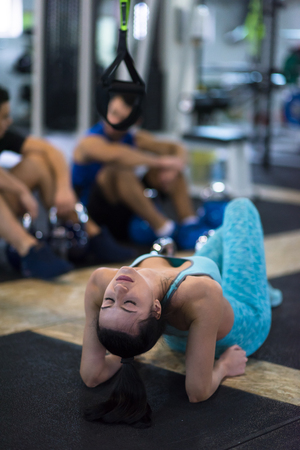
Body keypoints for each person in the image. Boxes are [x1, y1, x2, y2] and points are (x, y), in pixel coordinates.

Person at [80, 198, 280, 427]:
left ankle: (263, 286)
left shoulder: (100, 282)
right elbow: (197, 391)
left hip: (192, 332)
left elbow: (91, 376)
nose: (119, 288)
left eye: (109, 301)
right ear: (156, 308)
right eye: (129, 304)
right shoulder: (199, 293)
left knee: (231, 233)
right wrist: (224, 365)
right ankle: (262, 294)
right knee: (241, 209)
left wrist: (125, 351)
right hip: (246, 321)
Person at [0, 86, 136, 280]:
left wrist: (64, 189)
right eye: (4, 117)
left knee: (38, 162)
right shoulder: (93, 138)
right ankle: (28, 248)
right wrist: (20, 189)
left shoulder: (4, 134)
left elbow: (50, 150)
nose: (9, 121)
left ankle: (91, 233)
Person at [72, 93, 210, 250]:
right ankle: (165, 229)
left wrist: (174, 166)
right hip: (93, 214)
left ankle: (189, 225)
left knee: (169, 171)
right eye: (113, 113)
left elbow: (176, 148)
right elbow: (118, 154)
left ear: (135, 122)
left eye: (123, 119)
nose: (113, 121)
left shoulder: (135, 138)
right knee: (117, 169)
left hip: (126, 212)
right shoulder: (89, 142)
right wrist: (161, 161)